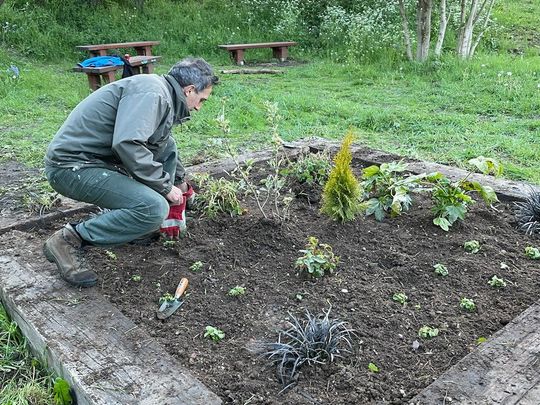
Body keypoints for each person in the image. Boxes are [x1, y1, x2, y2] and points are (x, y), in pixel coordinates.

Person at [43, 57, 218, 288]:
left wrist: (180, 184)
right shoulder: (153, 93)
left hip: (97, 163)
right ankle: (68, 239)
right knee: (153, 208)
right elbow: (128, 144)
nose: (198, 107)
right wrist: (165, 188)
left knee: (153, 199)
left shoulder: (160, 93)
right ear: (189, 90)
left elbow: (163, 146)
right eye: (201, 100)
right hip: (72, 166)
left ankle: (132, 228)